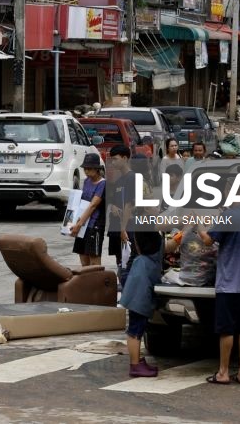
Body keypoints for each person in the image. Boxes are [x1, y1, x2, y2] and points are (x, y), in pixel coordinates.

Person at [196, 178, 240, 385]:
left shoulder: (229, 216)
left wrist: (198, 225)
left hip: (228, 282)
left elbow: (208, 240)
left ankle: (223, 372)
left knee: (226, 330)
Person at [120, 218, 180, 377]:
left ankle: (137, 361)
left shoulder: (145, 231)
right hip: (140, 286)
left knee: (138, 325)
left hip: (140, 283)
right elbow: (165, 228)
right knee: (135, 328)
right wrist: (190, 219)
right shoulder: (144, 223)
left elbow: (167, 247)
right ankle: (134, 365)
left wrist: (183, 232)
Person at [106, 145, 136, 287]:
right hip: (116, 226)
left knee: (129, 261)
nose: (113, 162)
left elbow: (131, 204)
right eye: (111, 160)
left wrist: (123, 229)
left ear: (125, 158)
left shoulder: (133, 178)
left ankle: (128, 288)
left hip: (128, 228)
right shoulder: (117, 181)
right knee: (120, 260)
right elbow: (112, 201)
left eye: (115, 159)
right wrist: (112, 207)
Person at [70, 153, 106, 266]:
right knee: (83, 257)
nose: (86, 171)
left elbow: (93, 205)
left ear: (96, 169)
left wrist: (79, 224)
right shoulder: (86, 182)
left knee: (94, 259)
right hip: (83, 224)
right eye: (85, 169)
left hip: (94, 225)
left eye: (89, 169)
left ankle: (96, 283)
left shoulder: (103, 184)